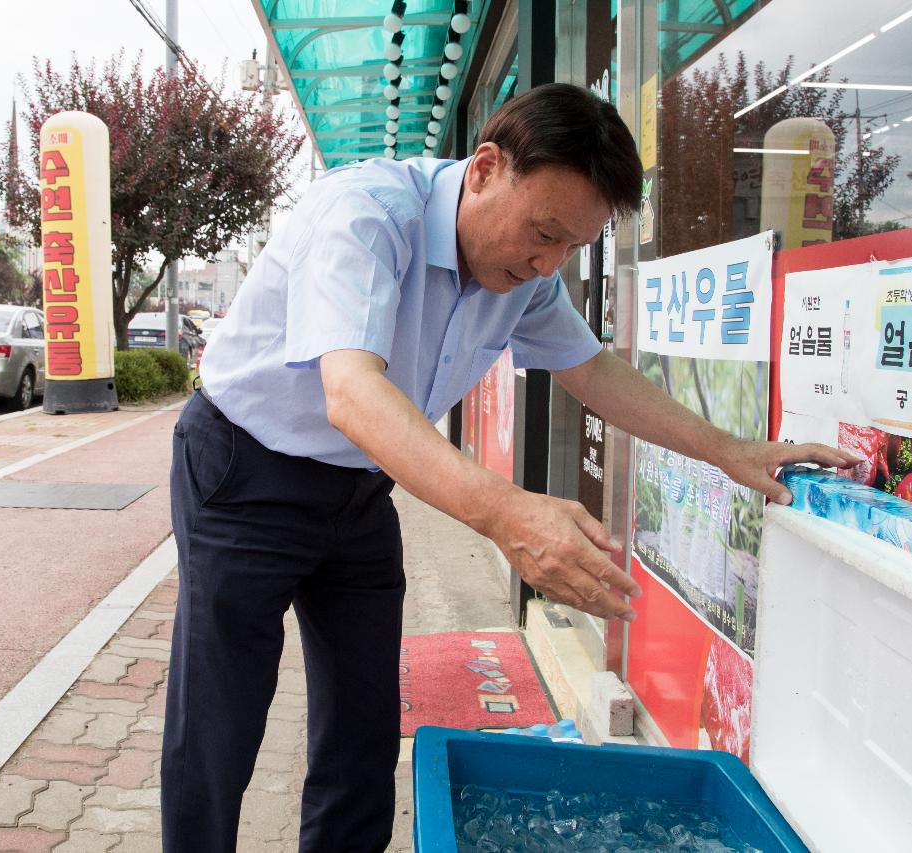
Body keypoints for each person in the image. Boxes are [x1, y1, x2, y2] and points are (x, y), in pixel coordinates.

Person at [163, 83, 855, 851]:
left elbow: (594, 372)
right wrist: (505, 514)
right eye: (544, 232)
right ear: (486, 167)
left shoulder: (524, 274)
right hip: (243, 469)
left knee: (362, 730)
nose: (548, 262)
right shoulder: (363, 218)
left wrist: (729, 449)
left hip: (359, 487)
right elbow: (353, 394)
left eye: (571, 247)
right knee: (219, 719)